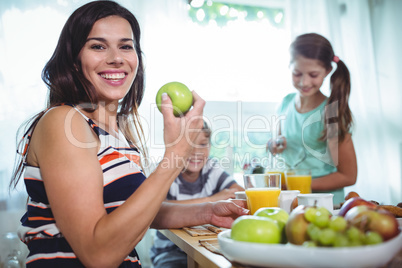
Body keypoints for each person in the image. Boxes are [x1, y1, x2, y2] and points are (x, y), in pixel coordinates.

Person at [9, 1, 248, 267]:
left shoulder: (116, 133)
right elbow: (98, 254)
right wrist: (176, 155)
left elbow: (129, 211)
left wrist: (208, 211)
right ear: (74, 61)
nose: (116, 57)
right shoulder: (64, 122)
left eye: (126, 46)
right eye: (98, 46)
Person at [267, 33, 357, 205]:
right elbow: (279, 144)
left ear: (327, 71)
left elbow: (348, 175)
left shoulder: (331, 114)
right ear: (289, 66)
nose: (304, 82)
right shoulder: (285, 103)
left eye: (313, 75)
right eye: (297, 73)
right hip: (290, 202)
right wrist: (275, 144)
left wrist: (295, 185)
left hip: (323, 205)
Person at [150, 120, 244, 268]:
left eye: (202, 144)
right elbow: (154, 209)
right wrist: (211, 200)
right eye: (189, 145)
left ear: (210, 146)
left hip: (206, 247)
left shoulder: (211, 168)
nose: (196, 152)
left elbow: (237, 192)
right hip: (170, 251)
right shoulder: (167, 171)